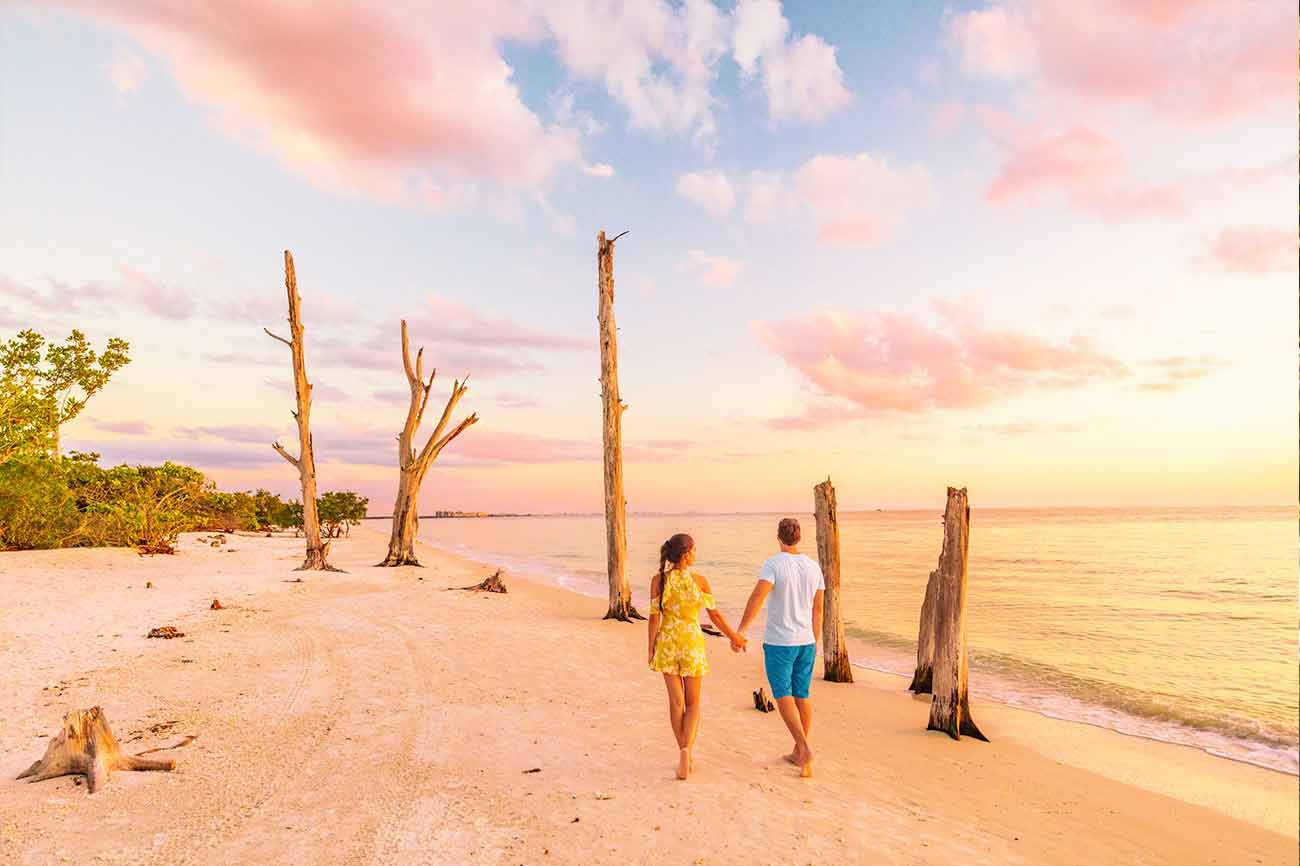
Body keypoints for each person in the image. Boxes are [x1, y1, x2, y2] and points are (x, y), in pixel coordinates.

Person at [647, 532, 746, 780]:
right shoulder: (700, 581)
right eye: (694, 550)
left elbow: (653, 617)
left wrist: (650, 647)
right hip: (692, 643)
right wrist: (734, 637)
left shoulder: (658, 580)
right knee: (693, 704)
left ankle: (682, 751)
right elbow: (715, 616)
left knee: (676, 704)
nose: (696, 554)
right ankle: (687, 753)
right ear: (686, 553)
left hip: (668, 642)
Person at [736, 517, 824, 778]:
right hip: (806, 641)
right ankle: (799, 751)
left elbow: (758, 597)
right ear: (799, 537)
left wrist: (741, 630)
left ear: (779, 537)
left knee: (783, 692)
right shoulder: (813, 567)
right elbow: (818, 609)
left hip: (780, 641)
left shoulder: (773, 564)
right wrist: (814, 640)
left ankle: (805, 748)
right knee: (802, 694)